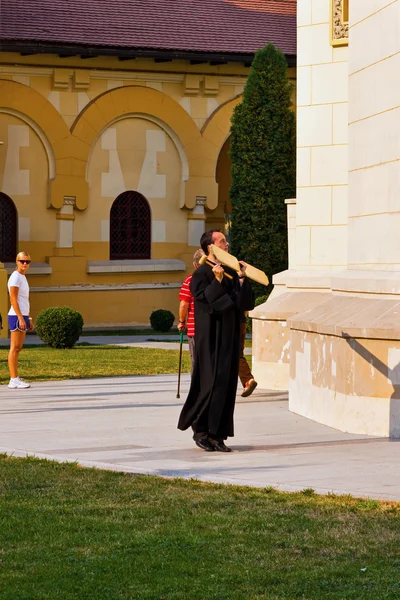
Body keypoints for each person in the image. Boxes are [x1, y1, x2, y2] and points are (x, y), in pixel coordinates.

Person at [178, 229, 254, 452]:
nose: (227, 245)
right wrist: (218, 281)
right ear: (210, 247)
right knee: (209, 384)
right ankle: (200, 431)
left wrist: (241, 278)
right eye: (222, 242)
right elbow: (210, 303)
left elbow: (243, 303)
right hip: (209, 338)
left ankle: (217, 434)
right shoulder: (200, 274)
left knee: (226, 385)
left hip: (228, 337)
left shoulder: (231, 271)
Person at [7, 251, 33, 389]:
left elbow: (24, 300)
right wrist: (20, 318)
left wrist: (27, 317)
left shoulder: (22, 277)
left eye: (27, 262)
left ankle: (15, 377)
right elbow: (13, 298)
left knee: (18, 348)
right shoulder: (15, 277)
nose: (24, 264)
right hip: (16, 315)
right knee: (15, 348)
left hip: (22, 315)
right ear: (17, 262)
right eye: (22, 261)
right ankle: (13, 379)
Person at [177, 248, 204, 370]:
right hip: (212, 327)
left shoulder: (190, 280)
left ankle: (197, 388)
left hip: (194, 327)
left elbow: (184, 304)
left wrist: (182, 322)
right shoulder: (216, 278)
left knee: (196, 361)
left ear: (194, 265)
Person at [239, 312, 258, 397]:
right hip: (241, 320)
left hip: (231, 322)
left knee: (233, 355)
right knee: (238, 354)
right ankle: (248, 380)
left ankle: (248, 380)